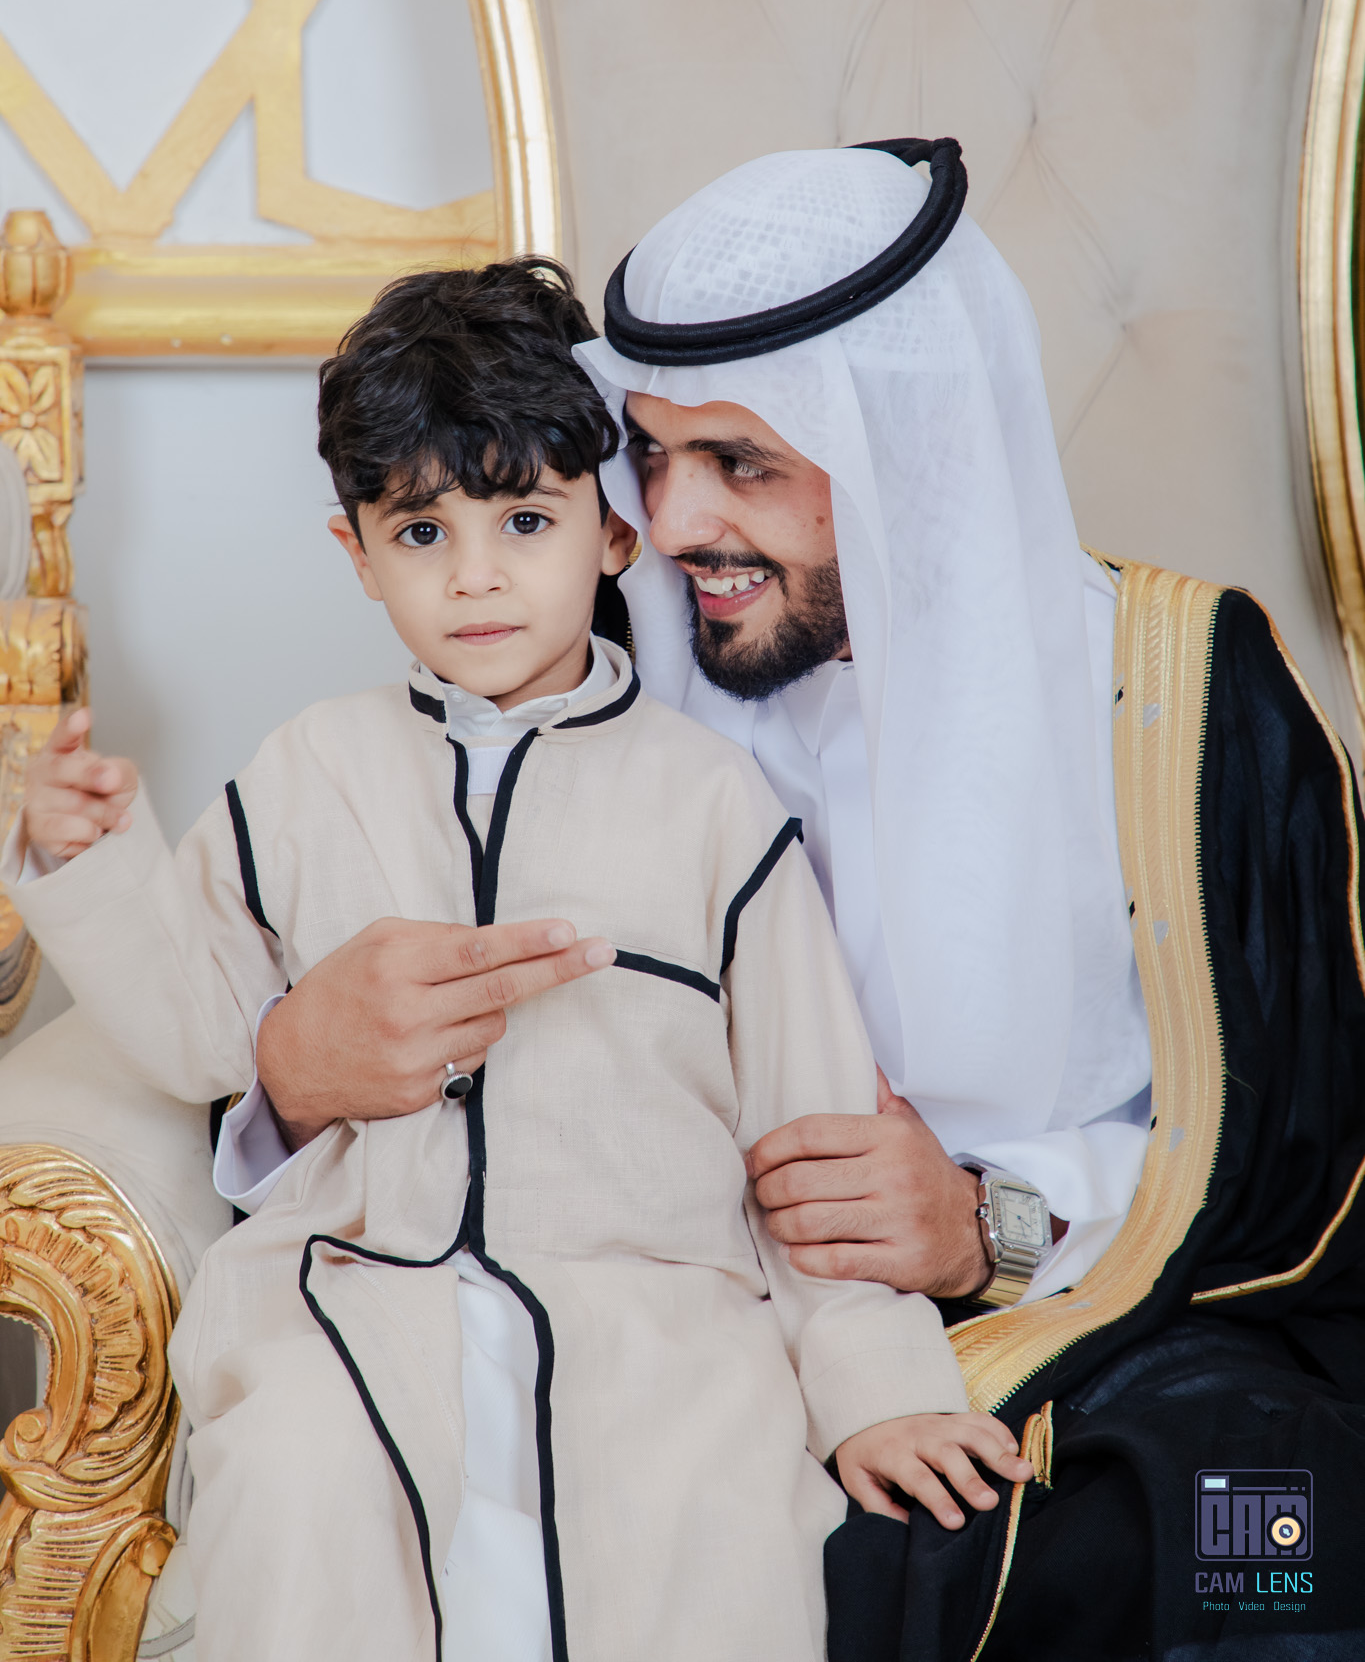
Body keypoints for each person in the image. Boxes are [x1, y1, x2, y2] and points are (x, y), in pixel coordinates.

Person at [180, 139, 1365, 1660]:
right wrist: (293, 1063)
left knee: (1271, 1537)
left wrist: (988, 1226)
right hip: (686, 1321)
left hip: (1090, 1305)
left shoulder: (1184, 696)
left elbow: (1308, 1162)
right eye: (653, 456)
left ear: (903, 452)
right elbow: (319, 919)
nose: (675, 525)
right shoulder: (582, 641)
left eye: (742, 464)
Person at [5, 260, 1032, 1662]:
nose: (475, 576)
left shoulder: (709, 802)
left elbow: (809, 1128)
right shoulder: (307, 774)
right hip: (355, 1297)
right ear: (355, 552)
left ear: (613, 534)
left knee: (706, 1529)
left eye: (527, 521)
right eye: (421, 532)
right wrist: (85, 858)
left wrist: (875, 1391)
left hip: (659, 1316)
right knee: (297, 1488)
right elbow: (199, 1035)